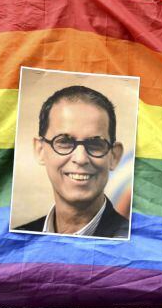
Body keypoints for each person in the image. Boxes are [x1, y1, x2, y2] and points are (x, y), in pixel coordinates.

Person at [17, 85, 130, 239]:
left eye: (95, 144)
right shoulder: (17, 239)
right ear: (40, 150)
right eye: (64, 142)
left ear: (114, 156)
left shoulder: (135, 244)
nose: (81, 158)